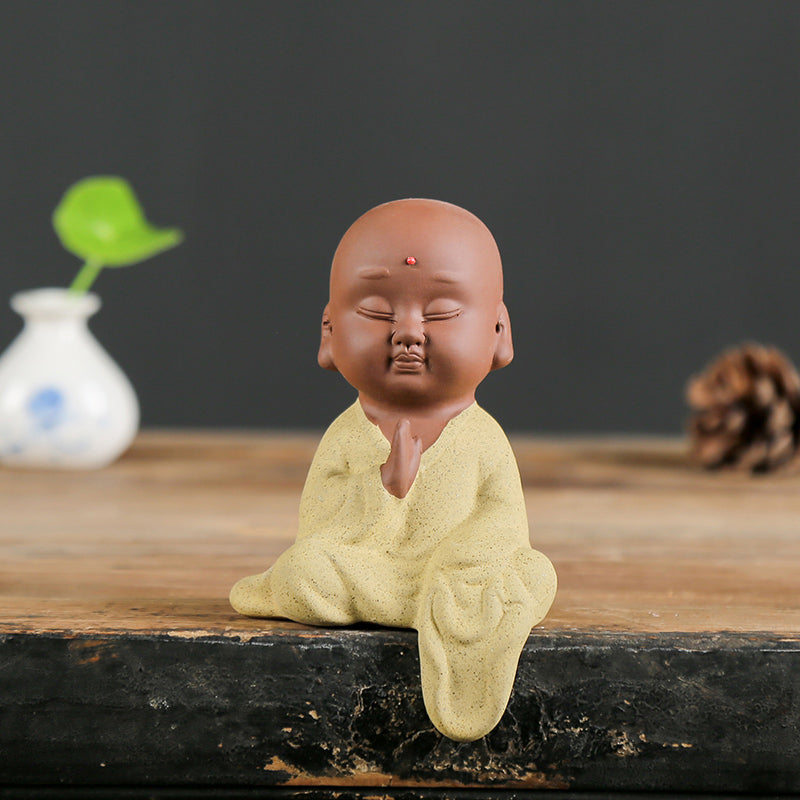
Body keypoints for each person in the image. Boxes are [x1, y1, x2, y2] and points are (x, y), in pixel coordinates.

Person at [230, 198, 556, 741]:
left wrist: (456, 560)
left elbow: (503, 524)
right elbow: (320, 528)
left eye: (442, 313)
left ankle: (433, 601)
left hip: (450, 576)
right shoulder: (347, 434)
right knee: (305, 568)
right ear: (329, 334)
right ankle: (424, 604)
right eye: (379, 313)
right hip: (370, 573)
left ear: (499, 333)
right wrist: (383, 486)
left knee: (528, 568)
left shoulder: (482, 437)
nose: (408, 332)